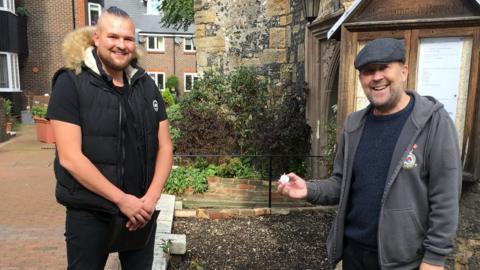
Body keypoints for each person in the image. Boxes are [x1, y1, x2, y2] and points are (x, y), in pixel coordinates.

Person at [278, 38, 462, 270]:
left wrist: (434, 259)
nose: (376, 77)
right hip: (354, 255)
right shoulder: (354, 125)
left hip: (404, 262)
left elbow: (445, 197)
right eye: (368, 71)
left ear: (404, 71)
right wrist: (309, 189)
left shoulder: (433, 122)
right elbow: (341, 183)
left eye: (384, 67)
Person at [47, 7, 173, 269]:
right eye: (113, 37)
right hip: (90, 212)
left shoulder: (145, 84)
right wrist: (121, 200)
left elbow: (165, 146)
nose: (121, 45)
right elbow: (70, 158)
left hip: (139, 212)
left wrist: (148, 200)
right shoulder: (70, 82)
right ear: (96, 37)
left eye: (128, 39)